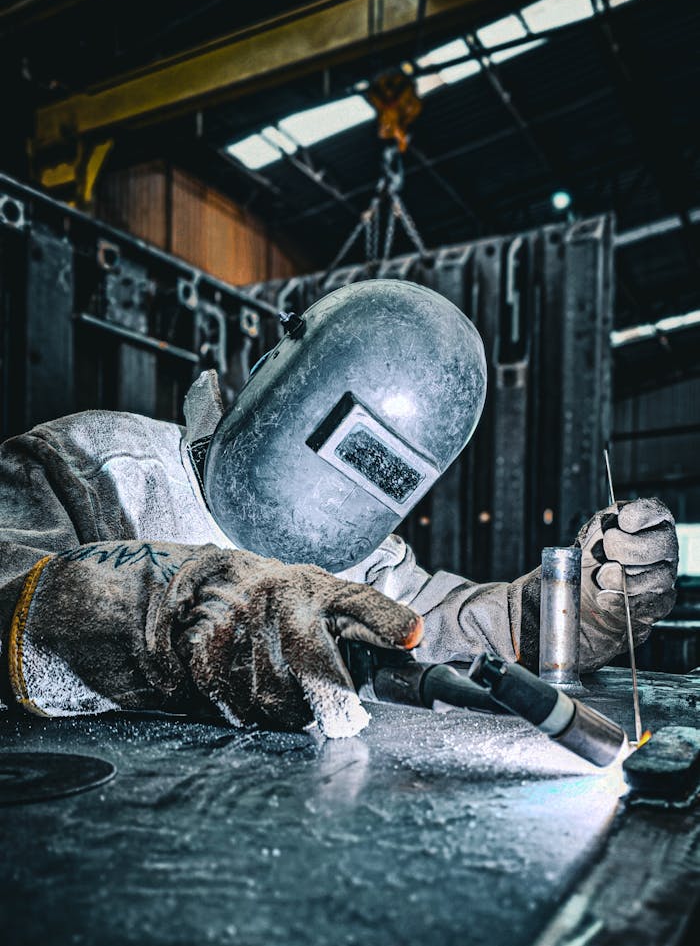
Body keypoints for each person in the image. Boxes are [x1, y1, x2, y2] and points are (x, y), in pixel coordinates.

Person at [0, 281, 677, 738]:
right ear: (274, 365)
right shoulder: (91, 463)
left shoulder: (361, 560)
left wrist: (566, 612)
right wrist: (164, 612)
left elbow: (440, 629)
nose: (337, 492)